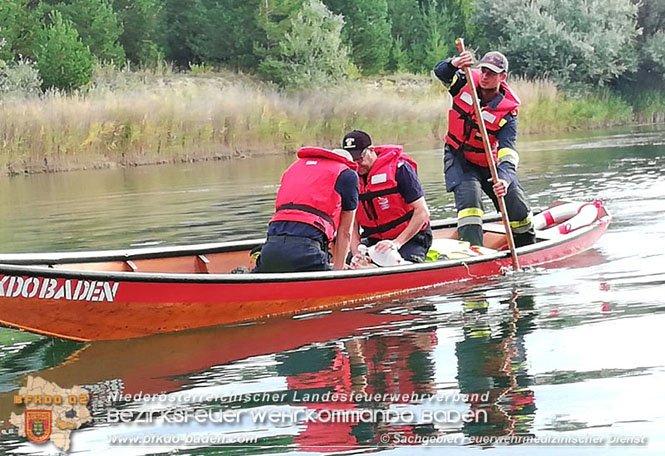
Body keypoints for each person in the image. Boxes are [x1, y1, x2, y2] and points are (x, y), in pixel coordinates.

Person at [434, 50, 536, 247]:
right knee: (470, 204)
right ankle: (472, 251)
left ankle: (527, 244)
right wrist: (454, 63)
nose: (485, 76)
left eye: (491, 73)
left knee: (516, 205)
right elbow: (442, 73)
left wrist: (505, 180)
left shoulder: (508, 114)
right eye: (483, 71)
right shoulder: (465, 83)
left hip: (489, 162)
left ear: (502, 77)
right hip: (459, 159)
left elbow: (508, 152)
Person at [252, 146, 358, 272]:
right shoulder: (347, 175)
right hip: (306, 252)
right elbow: (345, 232)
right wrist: (338, 271)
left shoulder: (293, 168)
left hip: (270, 249)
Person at [342, 130, 432, 264]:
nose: (357, 164)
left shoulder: (400, 169)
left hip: (411, 237)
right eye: (352, 160)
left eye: (360, 159)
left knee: (404, 263)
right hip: (375, 240)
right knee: (348, 262)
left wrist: (396, 243)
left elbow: (422, 212)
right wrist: (356, 252)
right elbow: (351, 222)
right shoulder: (349, 177)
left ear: (371, 150)